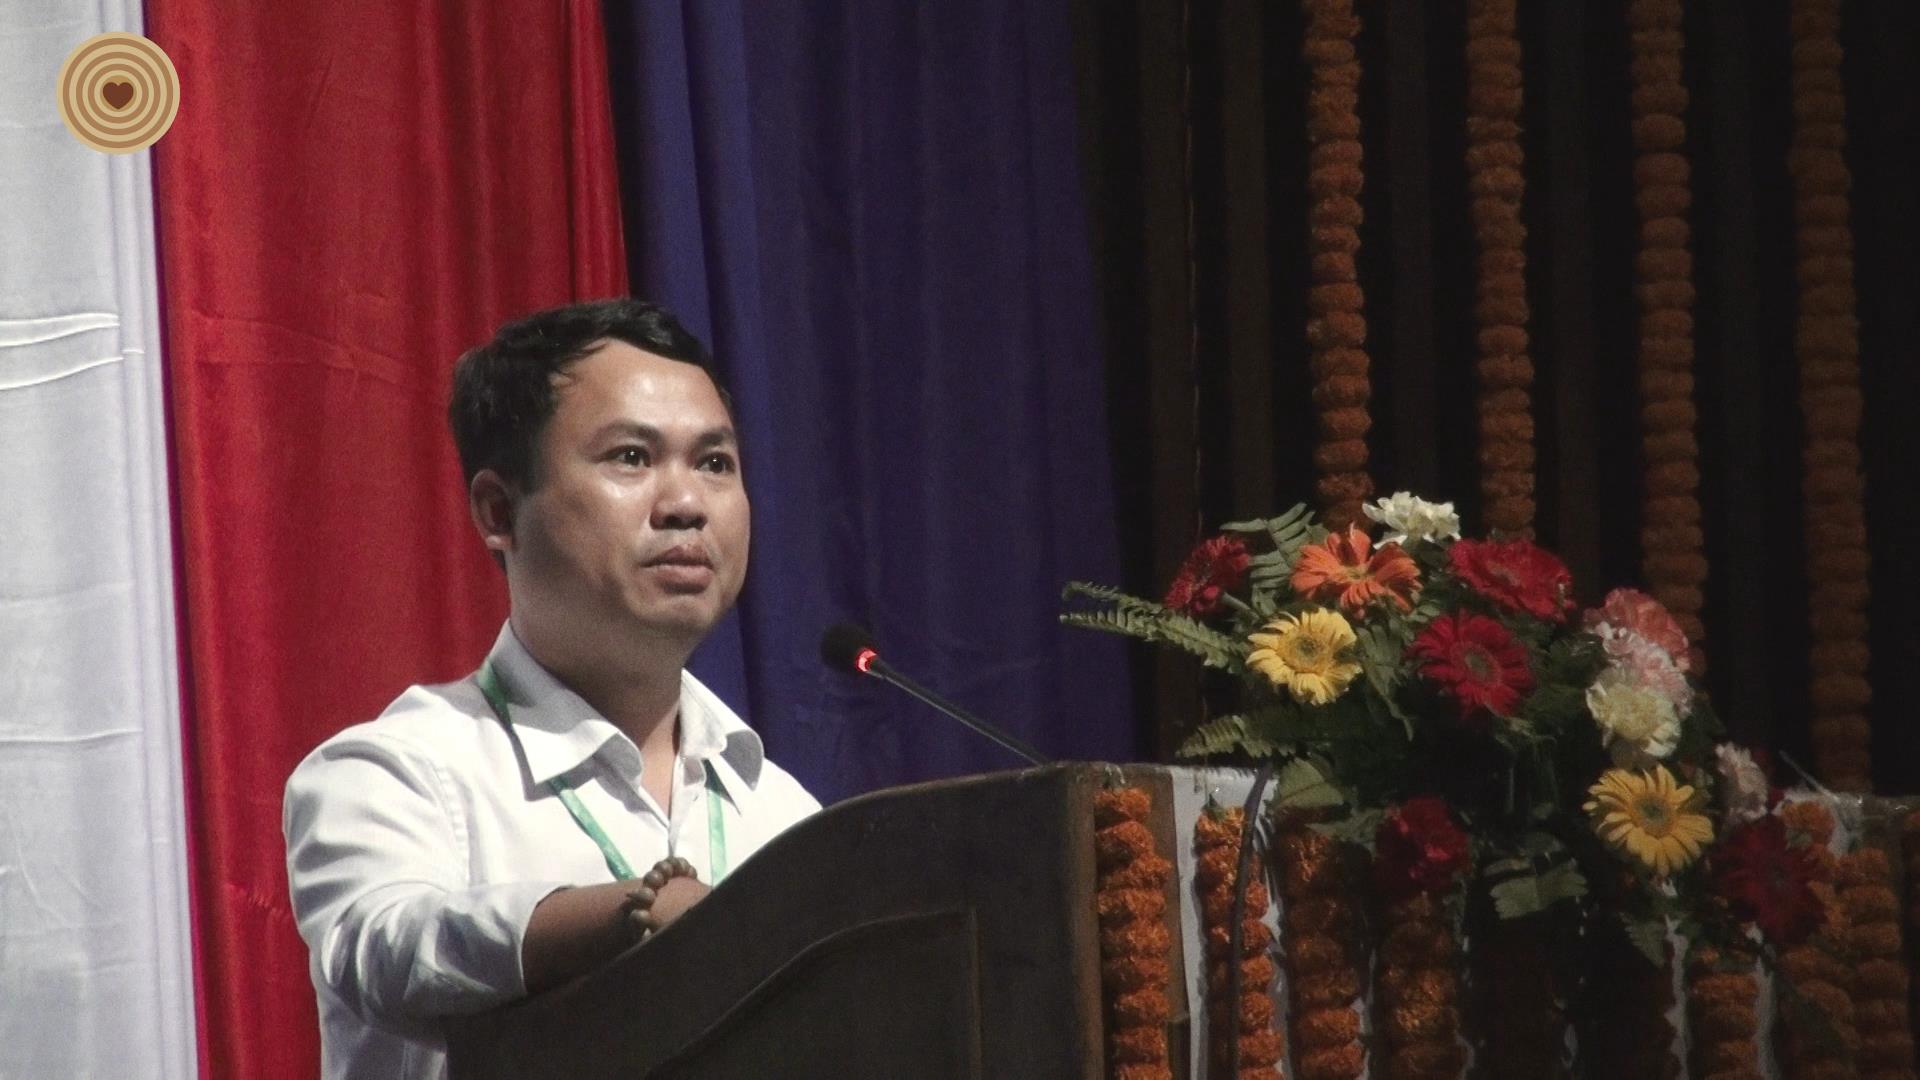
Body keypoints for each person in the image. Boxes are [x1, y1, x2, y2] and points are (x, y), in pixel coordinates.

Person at [283, 299, 821, 1080]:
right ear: (499, 511)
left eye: (714, 463)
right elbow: (387, 950)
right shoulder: (396, 771)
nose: (686, 504)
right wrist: (636, 913)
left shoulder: (783, 814)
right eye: (632, 457)